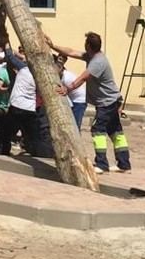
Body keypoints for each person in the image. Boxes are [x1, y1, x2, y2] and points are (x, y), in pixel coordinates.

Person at [49, 31, 131, 174]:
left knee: (97, 129)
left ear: (88, 46)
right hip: (110, 100)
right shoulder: (92, 56)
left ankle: (101, 164)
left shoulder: (97, 62)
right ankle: (124, 163)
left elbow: (82, 78)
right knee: (115, 131)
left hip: (107, 102)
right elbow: (71, 52)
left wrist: (67, 89)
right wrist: (53, 45)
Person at [4, 42, 38, 155]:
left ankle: (5, 150)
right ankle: (31, 152)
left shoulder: (23, 69)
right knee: (29, 133)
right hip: (30, 107)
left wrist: (7, 47)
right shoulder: (39, 76)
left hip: (17, 105)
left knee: (8, 131)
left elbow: (10, 57)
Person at [58, 54, 87, 129]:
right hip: (72, 99)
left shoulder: (66, 77)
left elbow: (67, 90)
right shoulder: (61, 76)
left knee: (76, 124)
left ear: (61, 69)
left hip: (80, 100)